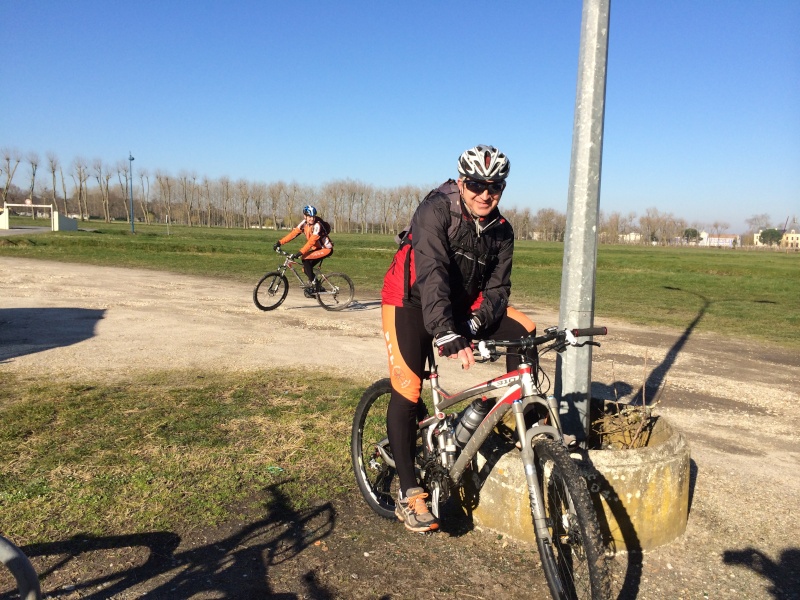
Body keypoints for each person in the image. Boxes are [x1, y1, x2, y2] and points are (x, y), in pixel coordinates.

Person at [381, 144, 537, 533]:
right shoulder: (435, 209)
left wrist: (469, 324)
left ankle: (527, 427)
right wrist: (446, 329)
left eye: (495, 186)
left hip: (461, 307)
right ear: (461, 181)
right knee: (408, 389)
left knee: (528, 333)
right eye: (477, 185)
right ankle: (409, 492)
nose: (486, 194)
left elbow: (499, 289)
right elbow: (431, 271)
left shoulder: (501, 230)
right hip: (411, 301)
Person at [274, 205, 333, 298]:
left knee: (304, 258)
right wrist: (280, 242)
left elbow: (311, 241)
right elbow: (293, 234)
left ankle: (316, 288)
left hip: (326, 249)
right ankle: (317, 287)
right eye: (309, 217)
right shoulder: (304, 224)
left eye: (313, 216)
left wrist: (300, 252)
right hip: (317, 249)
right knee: (305, 268)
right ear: (305, 216)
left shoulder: (317, 225)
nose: (312, 219)